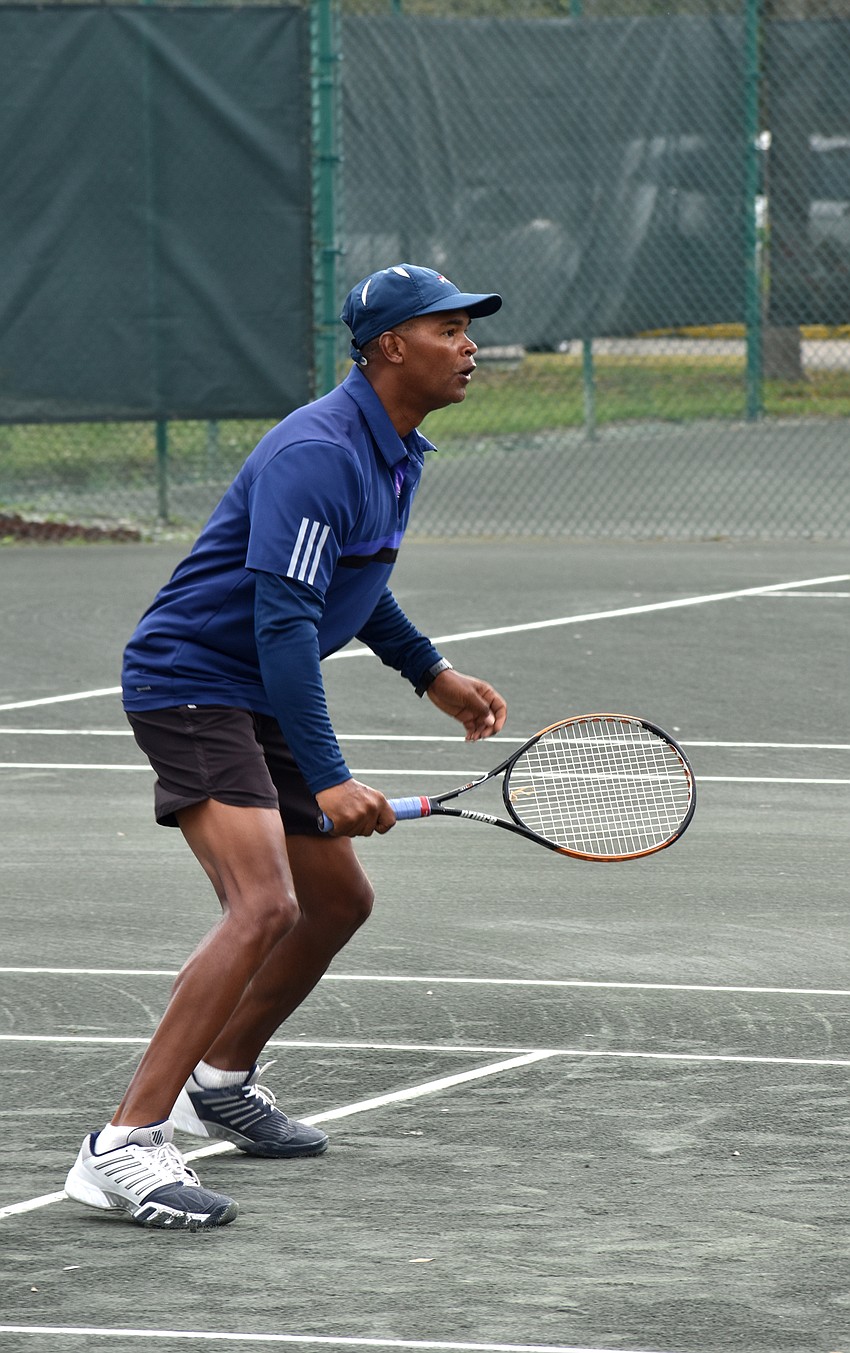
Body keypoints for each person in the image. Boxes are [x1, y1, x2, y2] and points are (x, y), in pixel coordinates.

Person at [64, 263, 508, 1231]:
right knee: (263, 903)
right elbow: (281, 622)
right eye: (449, 329)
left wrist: (427, 670)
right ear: (390, 345)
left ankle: (221, 1080)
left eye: (468, 329)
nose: (470, 345)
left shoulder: (393, 447)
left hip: (258, 688)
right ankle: (124, 1145)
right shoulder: (319, 450)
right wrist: (336, 776)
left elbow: (356, 578)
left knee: (337, 898)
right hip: (197, 684)